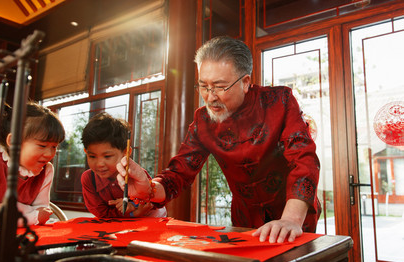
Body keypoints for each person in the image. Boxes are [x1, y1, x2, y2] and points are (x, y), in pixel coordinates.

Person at [117, 36, 321, 243]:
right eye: (203, 86)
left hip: (294, 216)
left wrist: (290, 219)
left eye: (219, 86)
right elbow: (179, 174)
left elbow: (303, 159)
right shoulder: (203, 121)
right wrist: (149, 188)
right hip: (245, 219)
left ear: (245, 82)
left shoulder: (279, 101)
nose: (210, 96)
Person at [0, 102, 65, 226]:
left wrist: (3, 209)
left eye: (54, 146)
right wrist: (31, 215)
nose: (49, 154)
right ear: (13, 141)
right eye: (42, 145)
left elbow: (43, 212)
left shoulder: (46, 170)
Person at [81, 112, 166, 218]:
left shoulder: (136, 175)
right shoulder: (88, 178)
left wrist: (133, 204)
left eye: (107, 156)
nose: (99, 164)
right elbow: (100, 212)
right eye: (92, 156)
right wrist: (131, 213)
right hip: (116, 226)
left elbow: (151, 203)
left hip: (148, 221)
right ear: (86, 152)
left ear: (126, 152)